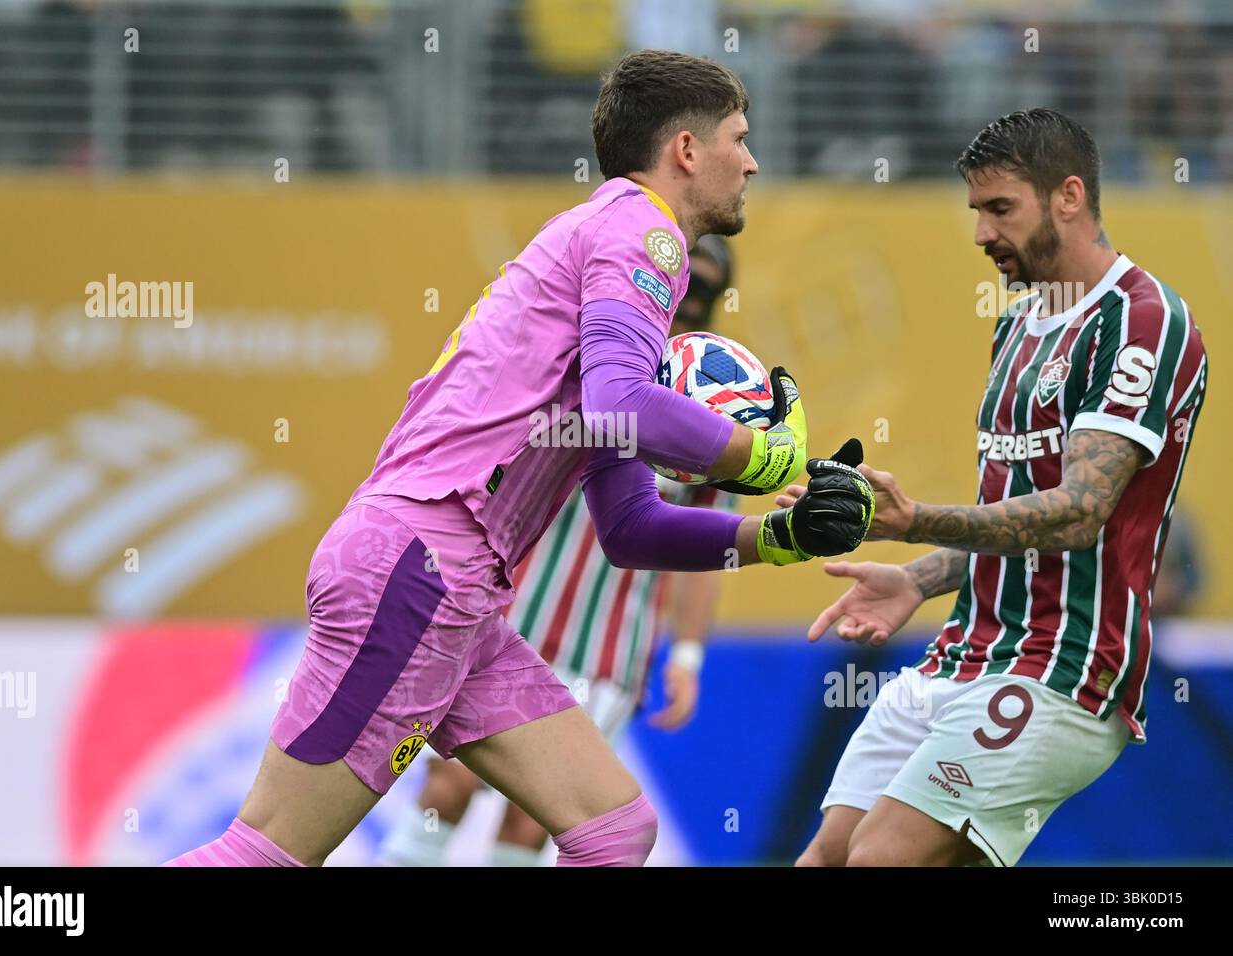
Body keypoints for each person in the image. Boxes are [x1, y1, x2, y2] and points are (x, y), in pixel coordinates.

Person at [164, 51, 873, 869]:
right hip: (421, 571)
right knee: (268, 854)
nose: (751, 161)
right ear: (685, 149)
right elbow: (623, 407)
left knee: (613, 830)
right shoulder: (645, 232)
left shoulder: (600, 241)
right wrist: (765, 455)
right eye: (739, 139)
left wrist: (777, 540)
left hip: (456, 590)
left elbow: (631, 528)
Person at [798, 108, 1208, 868]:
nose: (982, 233)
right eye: (975, 212)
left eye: (1000, 209)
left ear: (1069, 196)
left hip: (1064, 669)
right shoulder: (1017, 326)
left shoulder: (1143, 324)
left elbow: (1080, 513)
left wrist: (916, 520)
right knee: (827, 855)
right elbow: (1013, 511)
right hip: (962, 656)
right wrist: (918, 578)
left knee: (880, 859)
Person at [378, 237, 738, 867]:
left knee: (535, 817)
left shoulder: (712, 405)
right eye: (686, 285)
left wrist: (686, 653)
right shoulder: (589, 364)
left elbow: (709, 548)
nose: (691, 304)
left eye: (706, 292)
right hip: (508, 622)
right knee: (450, 781)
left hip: (605, 650)